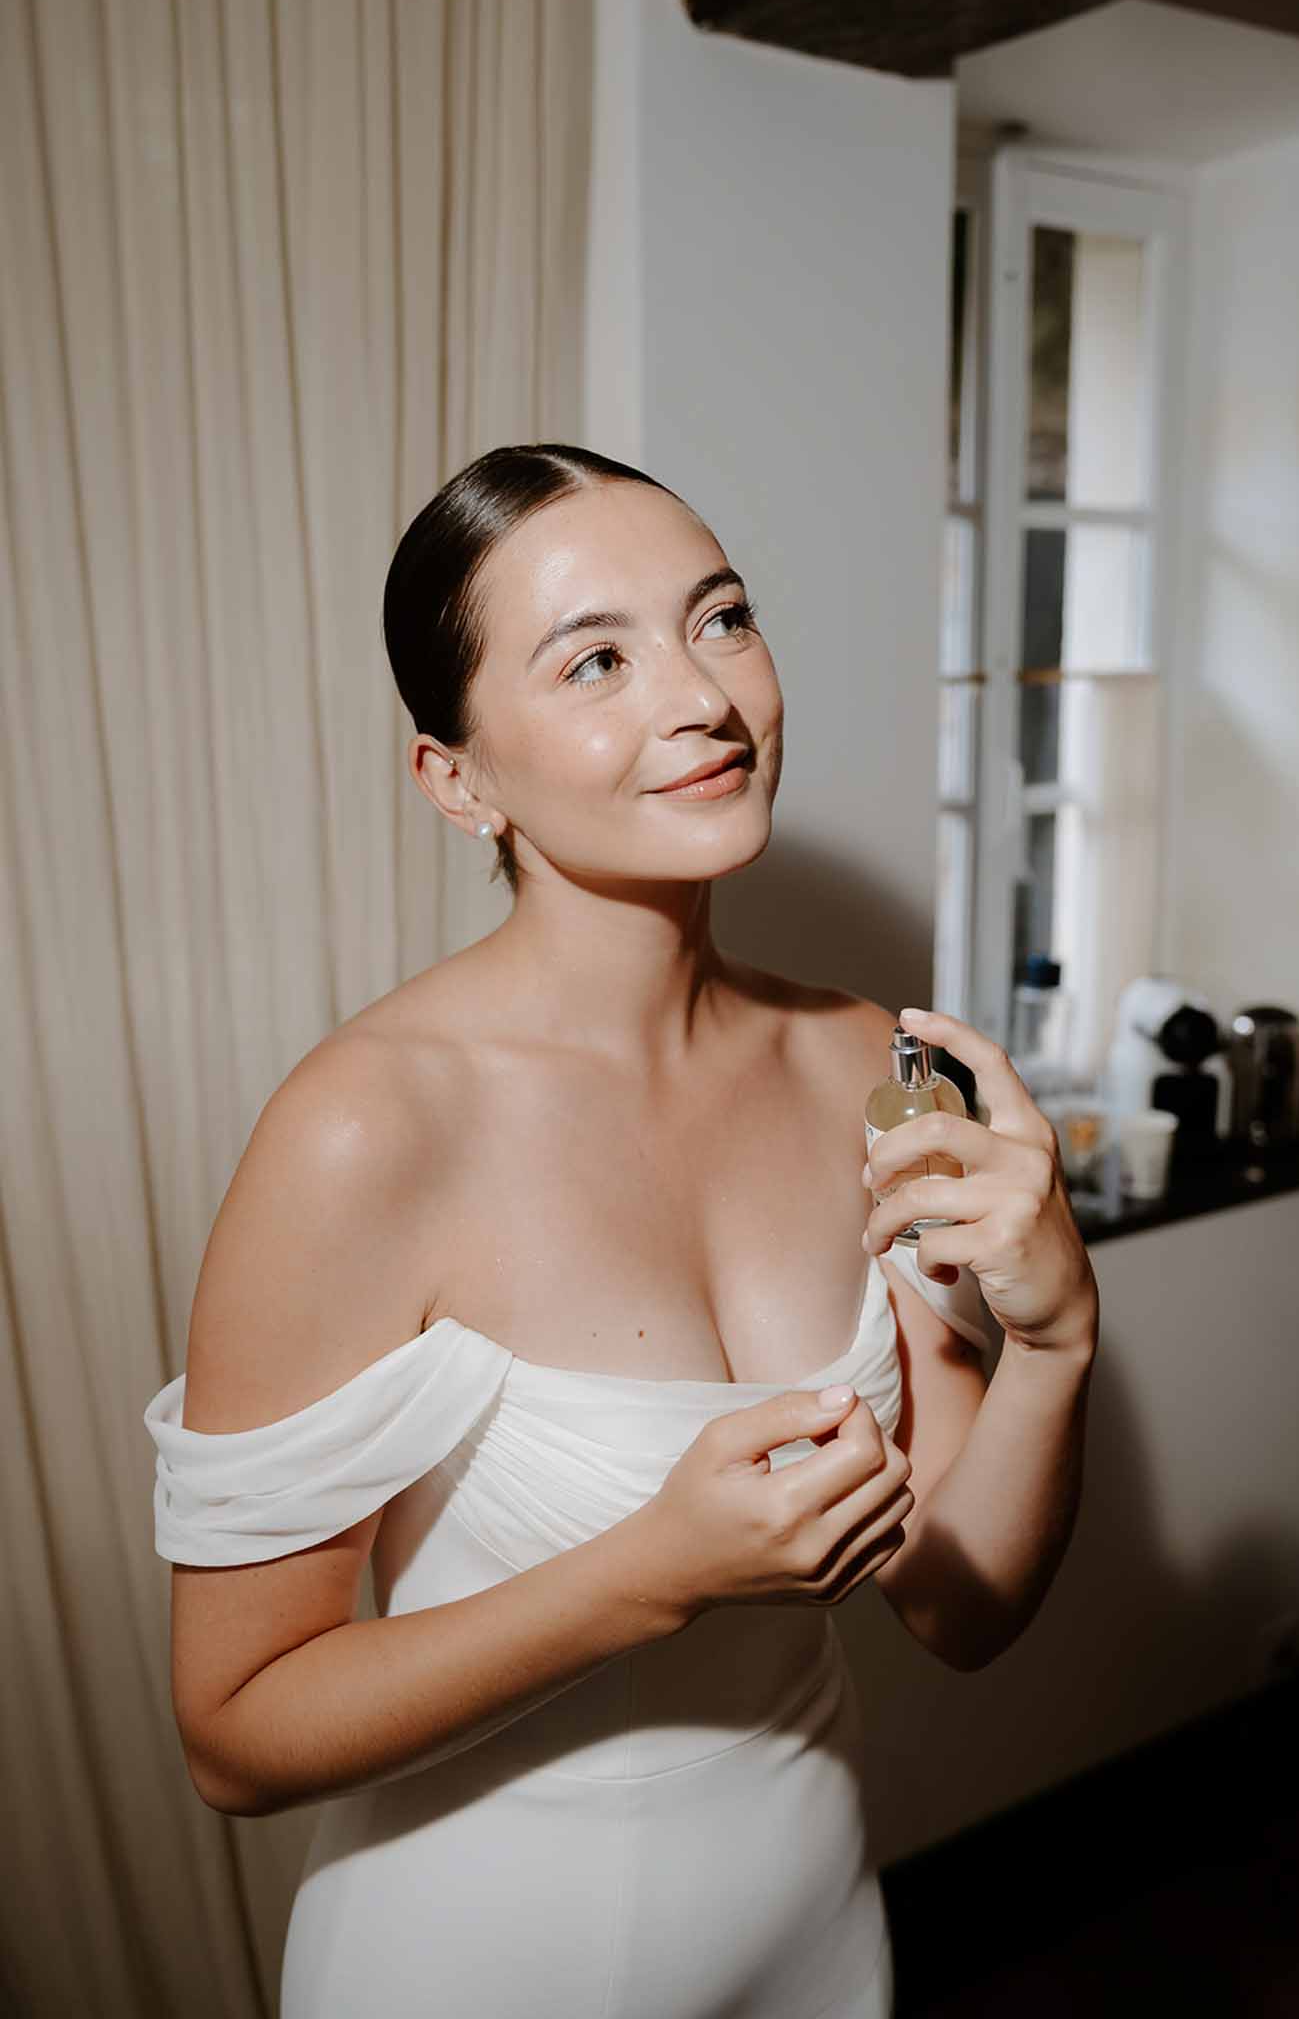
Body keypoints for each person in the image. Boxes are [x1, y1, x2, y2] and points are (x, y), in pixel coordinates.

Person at [143, 444, 1100, 2018]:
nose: (703, 700)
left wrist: (1056, 1336)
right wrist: (649, 1571)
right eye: (596, 659)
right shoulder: (365, 1128)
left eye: (718, 620)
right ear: (457, 779)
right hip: (478, 1951)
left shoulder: (870, 1059)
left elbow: (962, 1607)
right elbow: (234, 1737)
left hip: (807, 1907)